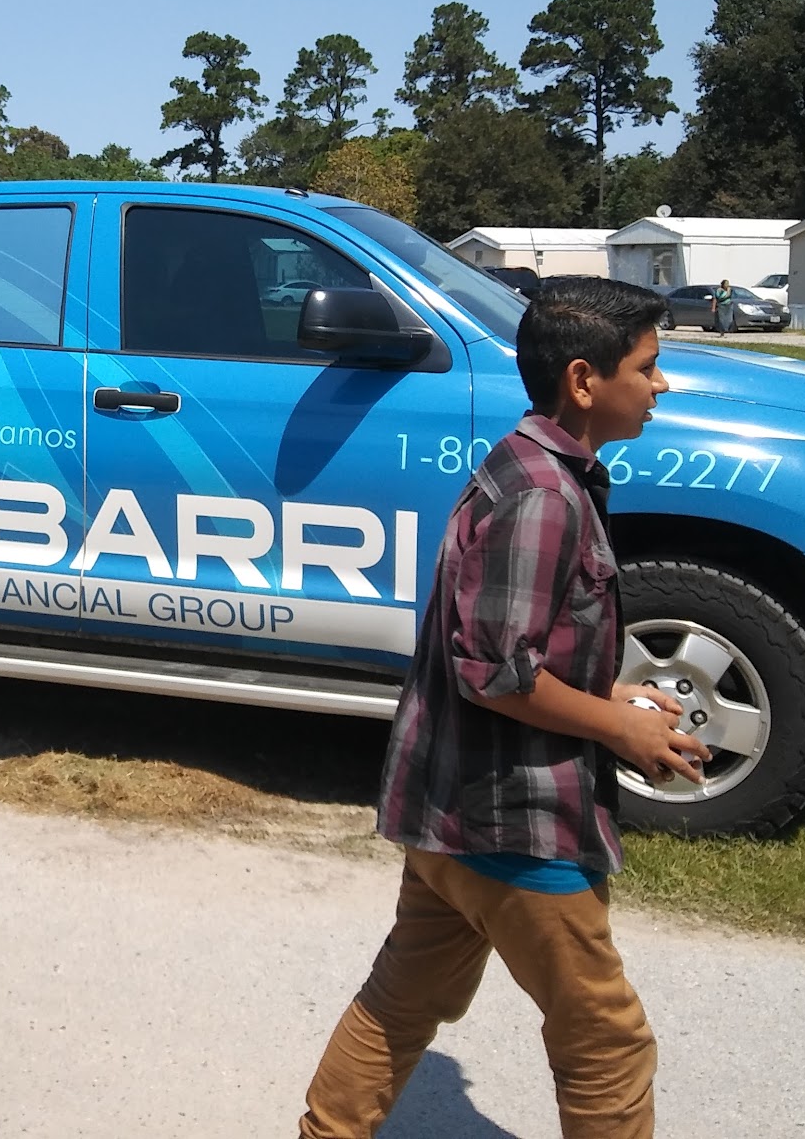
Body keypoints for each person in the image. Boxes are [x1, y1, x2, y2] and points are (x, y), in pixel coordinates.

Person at [298, 277, 712, 1139]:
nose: (662, 383)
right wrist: (618, 726)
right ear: (583, 380)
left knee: (405, 998)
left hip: (451, 813)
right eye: (648, 366)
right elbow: (497, 672)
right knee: (607, 1040)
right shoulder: (541, 497)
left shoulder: (534, 472)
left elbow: (508, 647)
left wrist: (608, 691)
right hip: (512, 824)